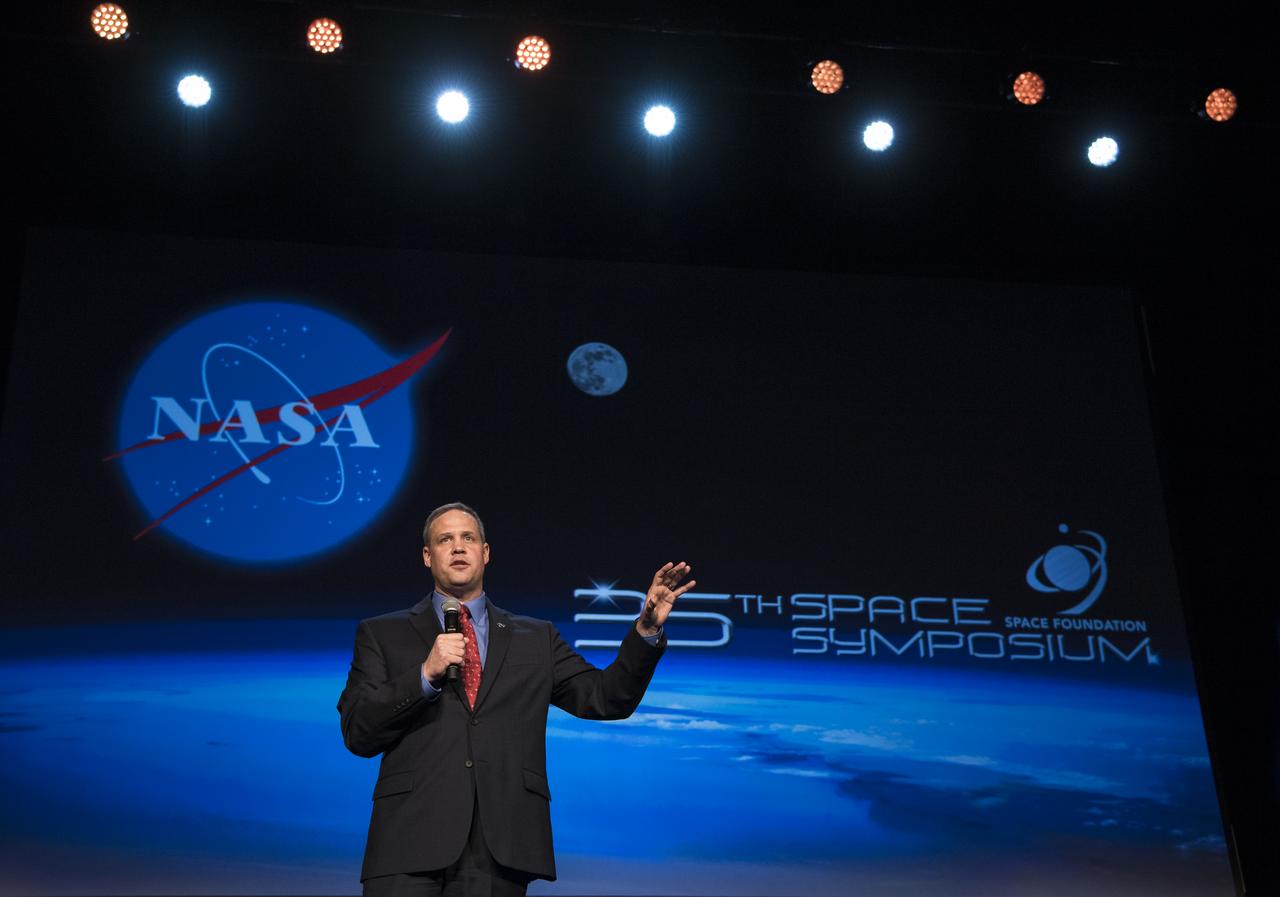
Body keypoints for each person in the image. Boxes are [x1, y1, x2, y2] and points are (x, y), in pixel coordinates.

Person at [338, 502, 695, 897]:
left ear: (485, 553)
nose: (458, 548)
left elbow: (606, 698)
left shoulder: (536, 637)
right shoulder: (382, 633)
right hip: (408, 844)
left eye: (468, 538)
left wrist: (645, 630)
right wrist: (424, 676)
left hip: (499, 849)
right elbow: (359, 731)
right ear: (427, 556)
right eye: (445, 540)